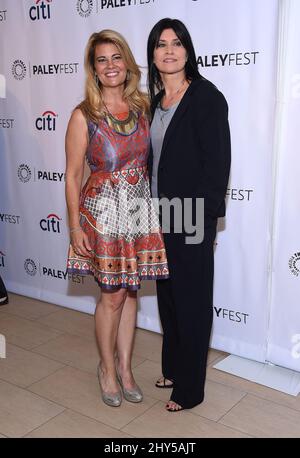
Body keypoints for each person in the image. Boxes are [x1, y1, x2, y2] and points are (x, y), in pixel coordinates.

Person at [65, 30, 169, 408]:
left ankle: (126, 369)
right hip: (104, 214)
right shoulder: (84, 115)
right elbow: (73, 174)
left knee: (130, 293)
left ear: (127, 63)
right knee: (111, 296)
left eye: (116, 58)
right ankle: (106, 368)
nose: (110, 66)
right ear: (94, 69)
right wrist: (75, 226)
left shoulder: (143, 108)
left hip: (139, 209)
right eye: (102, 60)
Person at [147, 18, 231, 411]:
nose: (169, 50)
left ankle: (190, 390)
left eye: (176, 43)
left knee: (193, 301)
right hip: (157, 214)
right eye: (161, 44)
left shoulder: (205, 96)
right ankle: (173, 369)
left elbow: (218, 164)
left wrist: (208, 219)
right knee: (168, 298)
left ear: (187, 50)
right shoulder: (154, 102)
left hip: (191, 216)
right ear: (153, 54)